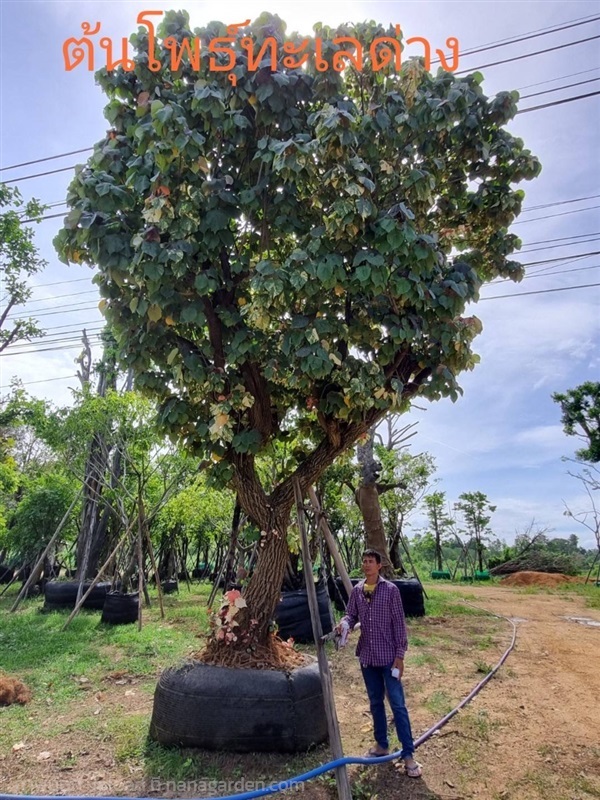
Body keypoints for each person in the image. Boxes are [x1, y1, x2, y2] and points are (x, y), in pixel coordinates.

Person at [336, 549, 422, 778]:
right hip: (367, 657)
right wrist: (344, 623)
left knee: (397, 704)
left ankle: (408, 754)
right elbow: (351, 615)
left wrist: (400, 655)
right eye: (364, 561)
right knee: (375, 702)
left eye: (370, 562)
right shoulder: (357, 590)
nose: (366, 565)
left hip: (389, 657)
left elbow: (399, 624)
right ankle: (382, 744)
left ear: (379, 566)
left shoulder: (391, 590)